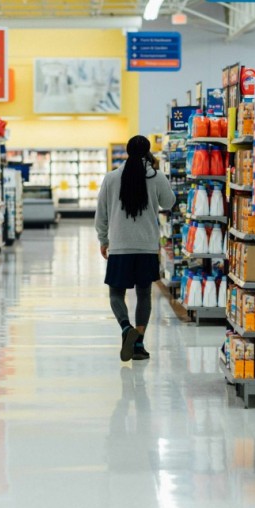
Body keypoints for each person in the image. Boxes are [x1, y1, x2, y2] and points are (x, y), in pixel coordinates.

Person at [95, 135, 176, 362]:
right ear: (148, 152)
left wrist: (103, 239)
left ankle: (125, 328)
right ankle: (138, 343)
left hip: (120, 245)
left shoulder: (111, 178)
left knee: (116, 294)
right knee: (143, 294)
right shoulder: (156, 176)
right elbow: (169, 203)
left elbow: (101, 213)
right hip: (147, 246)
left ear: (127, 151)